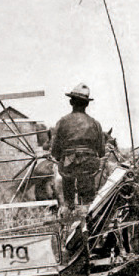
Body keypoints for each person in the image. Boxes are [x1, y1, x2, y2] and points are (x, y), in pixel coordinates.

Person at [50, 83, 105, 213]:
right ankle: (87, 210)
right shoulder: (95, 124)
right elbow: (101, 152)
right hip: (89, 168)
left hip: (68, 167)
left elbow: (55, 152)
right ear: (87, 104)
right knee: (87, 198)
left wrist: (63, 157)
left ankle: (68, 206)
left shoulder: (62, 122)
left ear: (71, 102)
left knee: (67, 182)